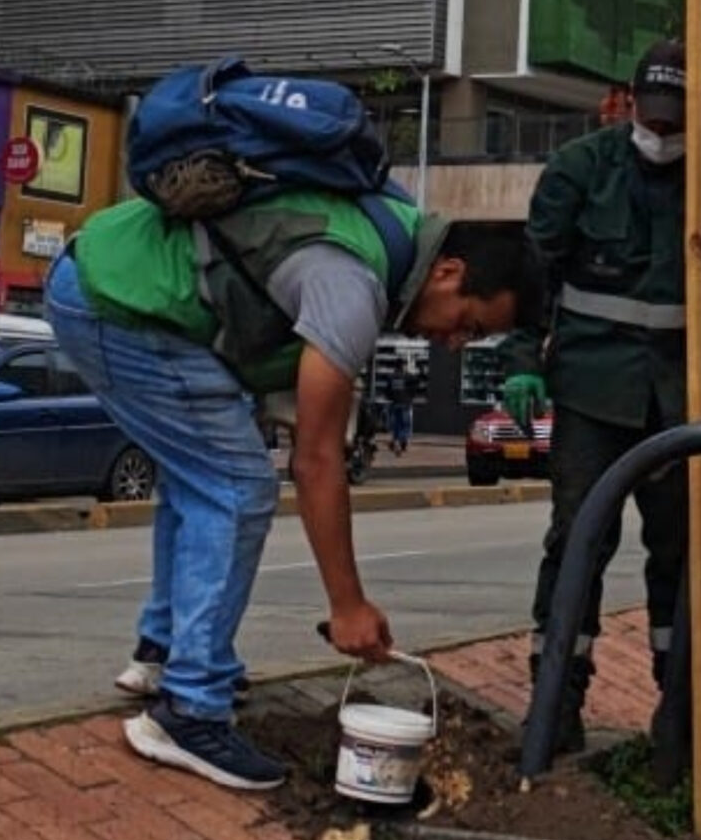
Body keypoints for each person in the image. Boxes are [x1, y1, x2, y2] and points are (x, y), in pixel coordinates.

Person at [46, 157, 543, 791]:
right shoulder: (355, 283)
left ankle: (164, 653)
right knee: (238, 486)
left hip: (105, 271)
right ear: (449, 272)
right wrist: (348, 605)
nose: (454, 344)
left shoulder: (390, 221)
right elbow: (315, 460)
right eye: (468, 325)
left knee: (198, 475)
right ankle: (189, 710)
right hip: (113, 300)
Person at [502, 39, 701, 757]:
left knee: (682, 557)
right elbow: (534, 274)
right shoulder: (580, 171)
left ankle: (684, 705)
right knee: (578, 543)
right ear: (628, 103)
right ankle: (556, 699)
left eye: (680, 121)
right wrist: (523, 361)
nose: (664, 133)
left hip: (686, 398)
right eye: (654, 117)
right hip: (594, 395)